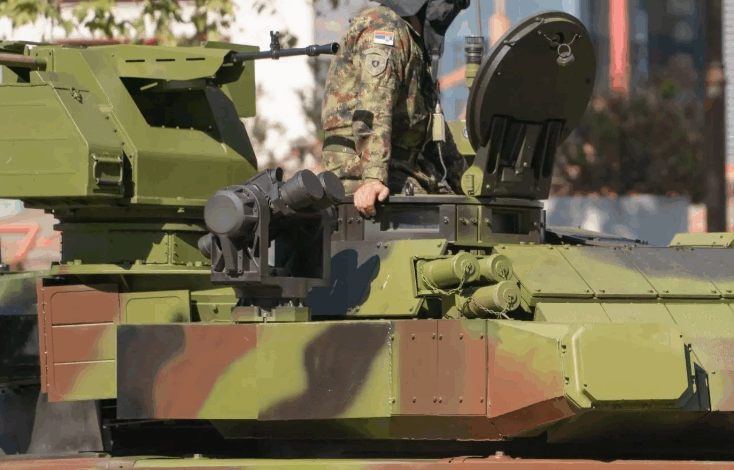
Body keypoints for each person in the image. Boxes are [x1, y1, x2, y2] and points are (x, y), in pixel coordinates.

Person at [320, 0, 470, 217]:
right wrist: (373, 179)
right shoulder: (384, 27)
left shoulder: (412, 41)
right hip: (359, 168)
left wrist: (467, 184)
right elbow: (374, 106)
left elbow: (431, 126)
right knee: (438, 217)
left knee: (462, 211)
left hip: (400, 167)